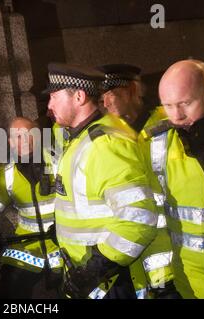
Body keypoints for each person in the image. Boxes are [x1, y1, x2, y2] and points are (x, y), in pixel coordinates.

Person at [45, 62, 158, 299]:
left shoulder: (105, 143)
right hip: (91, 279)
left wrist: (97, 268)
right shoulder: (80, 139)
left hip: (109, 282)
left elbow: (139, 218)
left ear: (79, 96)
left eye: (54, 96)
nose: (49, 105)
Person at [142, 59, 204, 299]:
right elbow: (153, 219)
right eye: (168, 105)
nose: (177, 115)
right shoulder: (155, 146)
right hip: (186, 288)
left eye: (184, 103)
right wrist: (161, 282)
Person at [97, 64, 176, 298]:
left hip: (173, 250)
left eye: (111, 94)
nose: (105, 102)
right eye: (101, 97)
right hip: (133, 256)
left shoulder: (168, 125)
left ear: (132, 90)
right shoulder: (107, 137)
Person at [0, 117, 61, 299]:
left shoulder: (58, 162)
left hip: (62, 244)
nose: (20, 141)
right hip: (27, 246)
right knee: (7, 292)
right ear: (9, 142)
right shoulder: (7, 174)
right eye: (15, 137)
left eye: (25, 135)